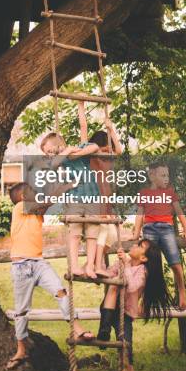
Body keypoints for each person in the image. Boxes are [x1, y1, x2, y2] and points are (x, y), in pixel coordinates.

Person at [7, 181, 95, 370]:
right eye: (31, 191)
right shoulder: (20, 207)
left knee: (60, 291)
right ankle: (21, 349)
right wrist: (64, 187)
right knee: (21, 310)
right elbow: (46, 201)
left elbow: (45, 205)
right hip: (22, 266)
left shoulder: (35, 213)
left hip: (39, 263)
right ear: (23, 197)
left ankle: (77, 328)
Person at [97, 240, 171, 371]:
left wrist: (125, 264)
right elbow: (109, 273)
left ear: (143, 258)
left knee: (126, 352)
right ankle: (104, 330)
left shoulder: (142, 271)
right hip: (109, 309)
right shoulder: (124, 262)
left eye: (140, 246)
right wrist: (100, 267)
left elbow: (132, 288)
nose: (135, 245)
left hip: (125, 315)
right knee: (113, 284)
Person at [40, 131, 101, 278]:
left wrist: (76, 153)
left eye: (49, 151)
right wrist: (66, 152)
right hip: (73, 199)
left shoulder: (78, 149)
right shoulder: (59, 160)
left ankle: (90, 267)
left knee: (92, 234)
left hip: (92, 196)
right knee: (74, 233)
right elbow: (52, 165)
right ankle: (74, 266)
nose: (49, 155)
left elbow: (95, 147)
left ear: (59, 145)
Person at [133, 162, 186, 310]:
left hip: (166, 229)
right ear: (152, 176)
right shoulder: (144, 193)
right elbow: (140, 214)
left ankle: (182, 293)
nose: (166, 178)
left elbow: (178, 211)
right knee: (147, 266)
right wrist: (135, 234)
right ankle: (143, 300)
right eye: (163, 175)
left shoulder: (170, 192)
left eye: (167, 175)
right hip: (149, 230)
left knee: (175, 263)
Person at [77, 101, 123, 276]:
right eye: (103, 149)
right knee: (102, 230)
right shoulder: (89, 159)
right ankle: (95, 266)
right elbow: (83, 129)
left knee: (110, 235)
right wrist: (81, 106)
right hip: (94, 203)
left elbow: (118, 150)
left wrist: (111, 130)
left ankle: (91, 265)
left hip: (105, 204)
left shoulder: (106, 161)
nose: (106, 153)